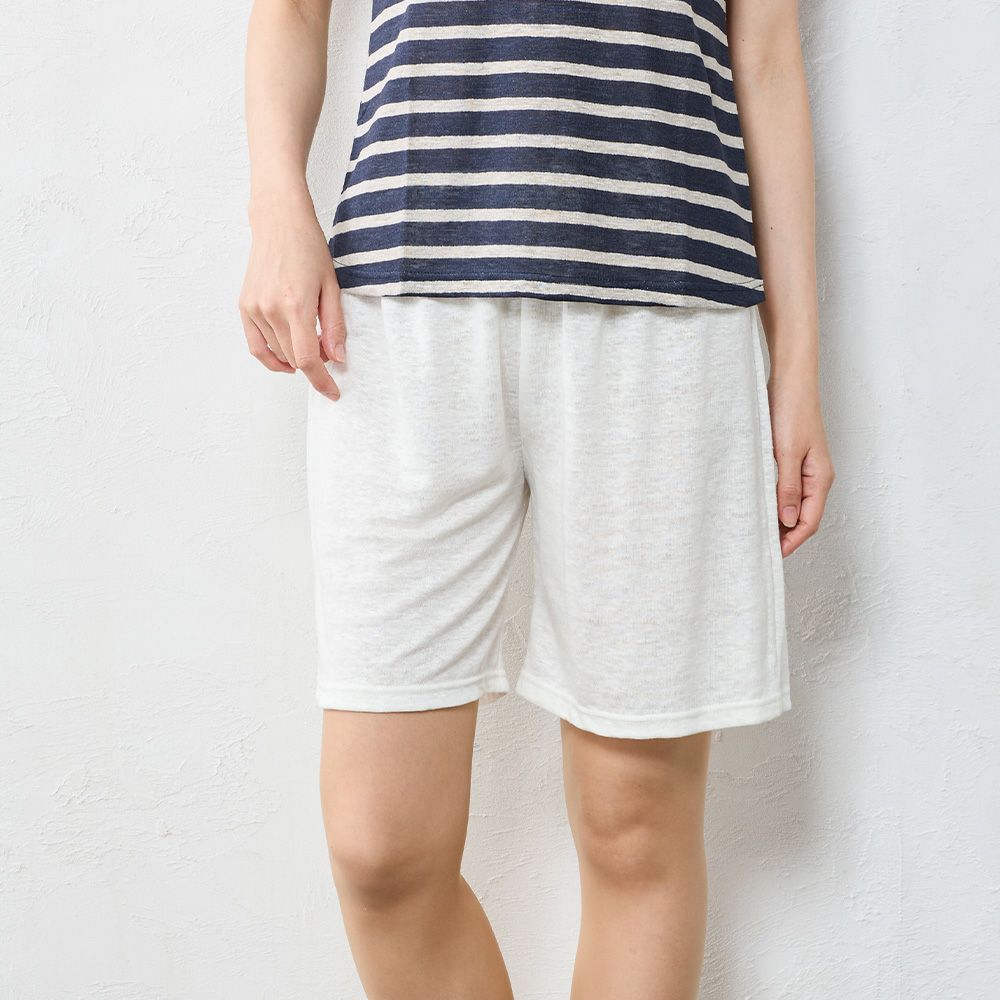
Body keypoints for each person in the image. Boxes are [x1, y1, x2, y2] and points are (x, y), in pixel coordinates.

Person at [239, 0, 834, 995]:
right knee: (380, 848)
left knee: (634, 827)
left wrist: (799, 365)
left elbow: (765, 54)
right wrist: (275, 205)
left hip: (664, 305)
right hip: (398, 313)